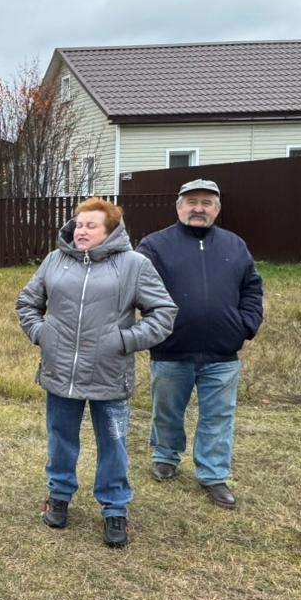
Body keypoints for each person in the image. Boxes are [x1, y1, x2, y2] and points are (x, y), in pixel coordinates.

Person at [16, 198, 177, 548]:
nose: (81, 230)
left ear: (110, 230)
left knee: (114, 444)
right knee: (61, 439)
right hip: (60, 373)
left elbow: (163, 313)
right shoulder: (55, 260)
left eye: (91, 225)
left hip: (109, 373)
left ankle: (115, 508)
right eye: (78, 223)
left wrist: (124, 340)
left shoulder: (134, 265)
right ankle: (58, 496)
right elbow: (27, 303)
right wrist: (42, 334)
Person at [136, 178, 264, 510]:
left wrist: (246, 325)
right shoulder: (154, 246)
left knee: (219, 416)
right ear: (179, 206)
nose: (198, 208)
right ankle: (165, 456)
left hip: (223, 353)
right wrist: (156, 329)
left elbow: (252, 287)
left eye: (206, 203)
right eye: (192, 201)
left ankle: (213, 474)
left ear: (217, 210)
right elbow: (137, 289)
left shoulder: (235, 246)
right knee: (167, 411)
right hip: (171, 350)